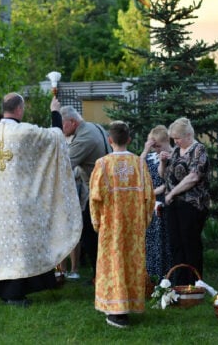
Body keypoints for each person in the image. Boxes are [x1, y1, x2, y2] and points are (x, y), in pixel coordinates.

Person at [0, 93, 82, 307]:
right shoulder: (23, 132)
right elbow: (56, 138)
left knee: (5, 249)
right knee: (19, 249)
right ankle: (15, 294)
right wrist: (55, 111)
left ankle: (3, 290)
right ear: (19, 109)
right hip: (20, 204)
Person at [89, 121, 155, 328]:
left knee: (113, 265)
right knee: (130, 263)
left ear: (110, 141)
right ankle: (128, 306)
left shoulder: (102, 164)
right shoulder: (139, 163)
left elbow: (94, 197)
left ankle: (115, 309)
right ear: (129, 139)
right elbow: (149, 197)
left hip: (111, 225)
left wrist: (97, 221)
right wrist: (144, 220)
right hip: (133, 228)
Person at [59, 106, 111, 282]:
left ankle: (100, 275)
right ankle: (100, 273)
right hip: (102, 188)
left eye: (62, 125)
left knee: (90, 235)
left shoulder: (85, 137)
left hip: (98, 191)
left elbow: (65, 164)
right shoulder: (93, 126)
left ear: (72, 122)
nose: (60, 129)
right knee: (94, 234)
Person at [160, 117, 210, 285]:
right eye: (173, 138)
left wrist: (172, 193)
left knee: (190, 244)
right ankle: (180, 282)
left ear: (188, 135)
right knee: (176, 244)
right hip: (173, 205)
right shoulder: (175, 151)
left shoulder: (198, 150)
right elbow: (164, 175)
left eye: (178, 138)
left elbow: (194, 176)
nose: (175, 141)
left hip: (191, 204)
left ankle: (195, 282)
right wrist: (162, 162)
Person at [140, 125, 173, 279]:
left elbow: (168, 182)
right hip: (149, 203)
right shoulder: (149, 156)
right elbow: (138, 168)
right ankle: (150, 275)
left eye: (158, 146)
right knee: (150, 238)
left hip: (161, 201)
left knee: (163, 238)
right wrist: (146, 150)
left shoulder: (172, 156)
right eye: (153, 146)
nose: (156, 149)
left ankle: (165, 275)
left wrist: (152, 193)